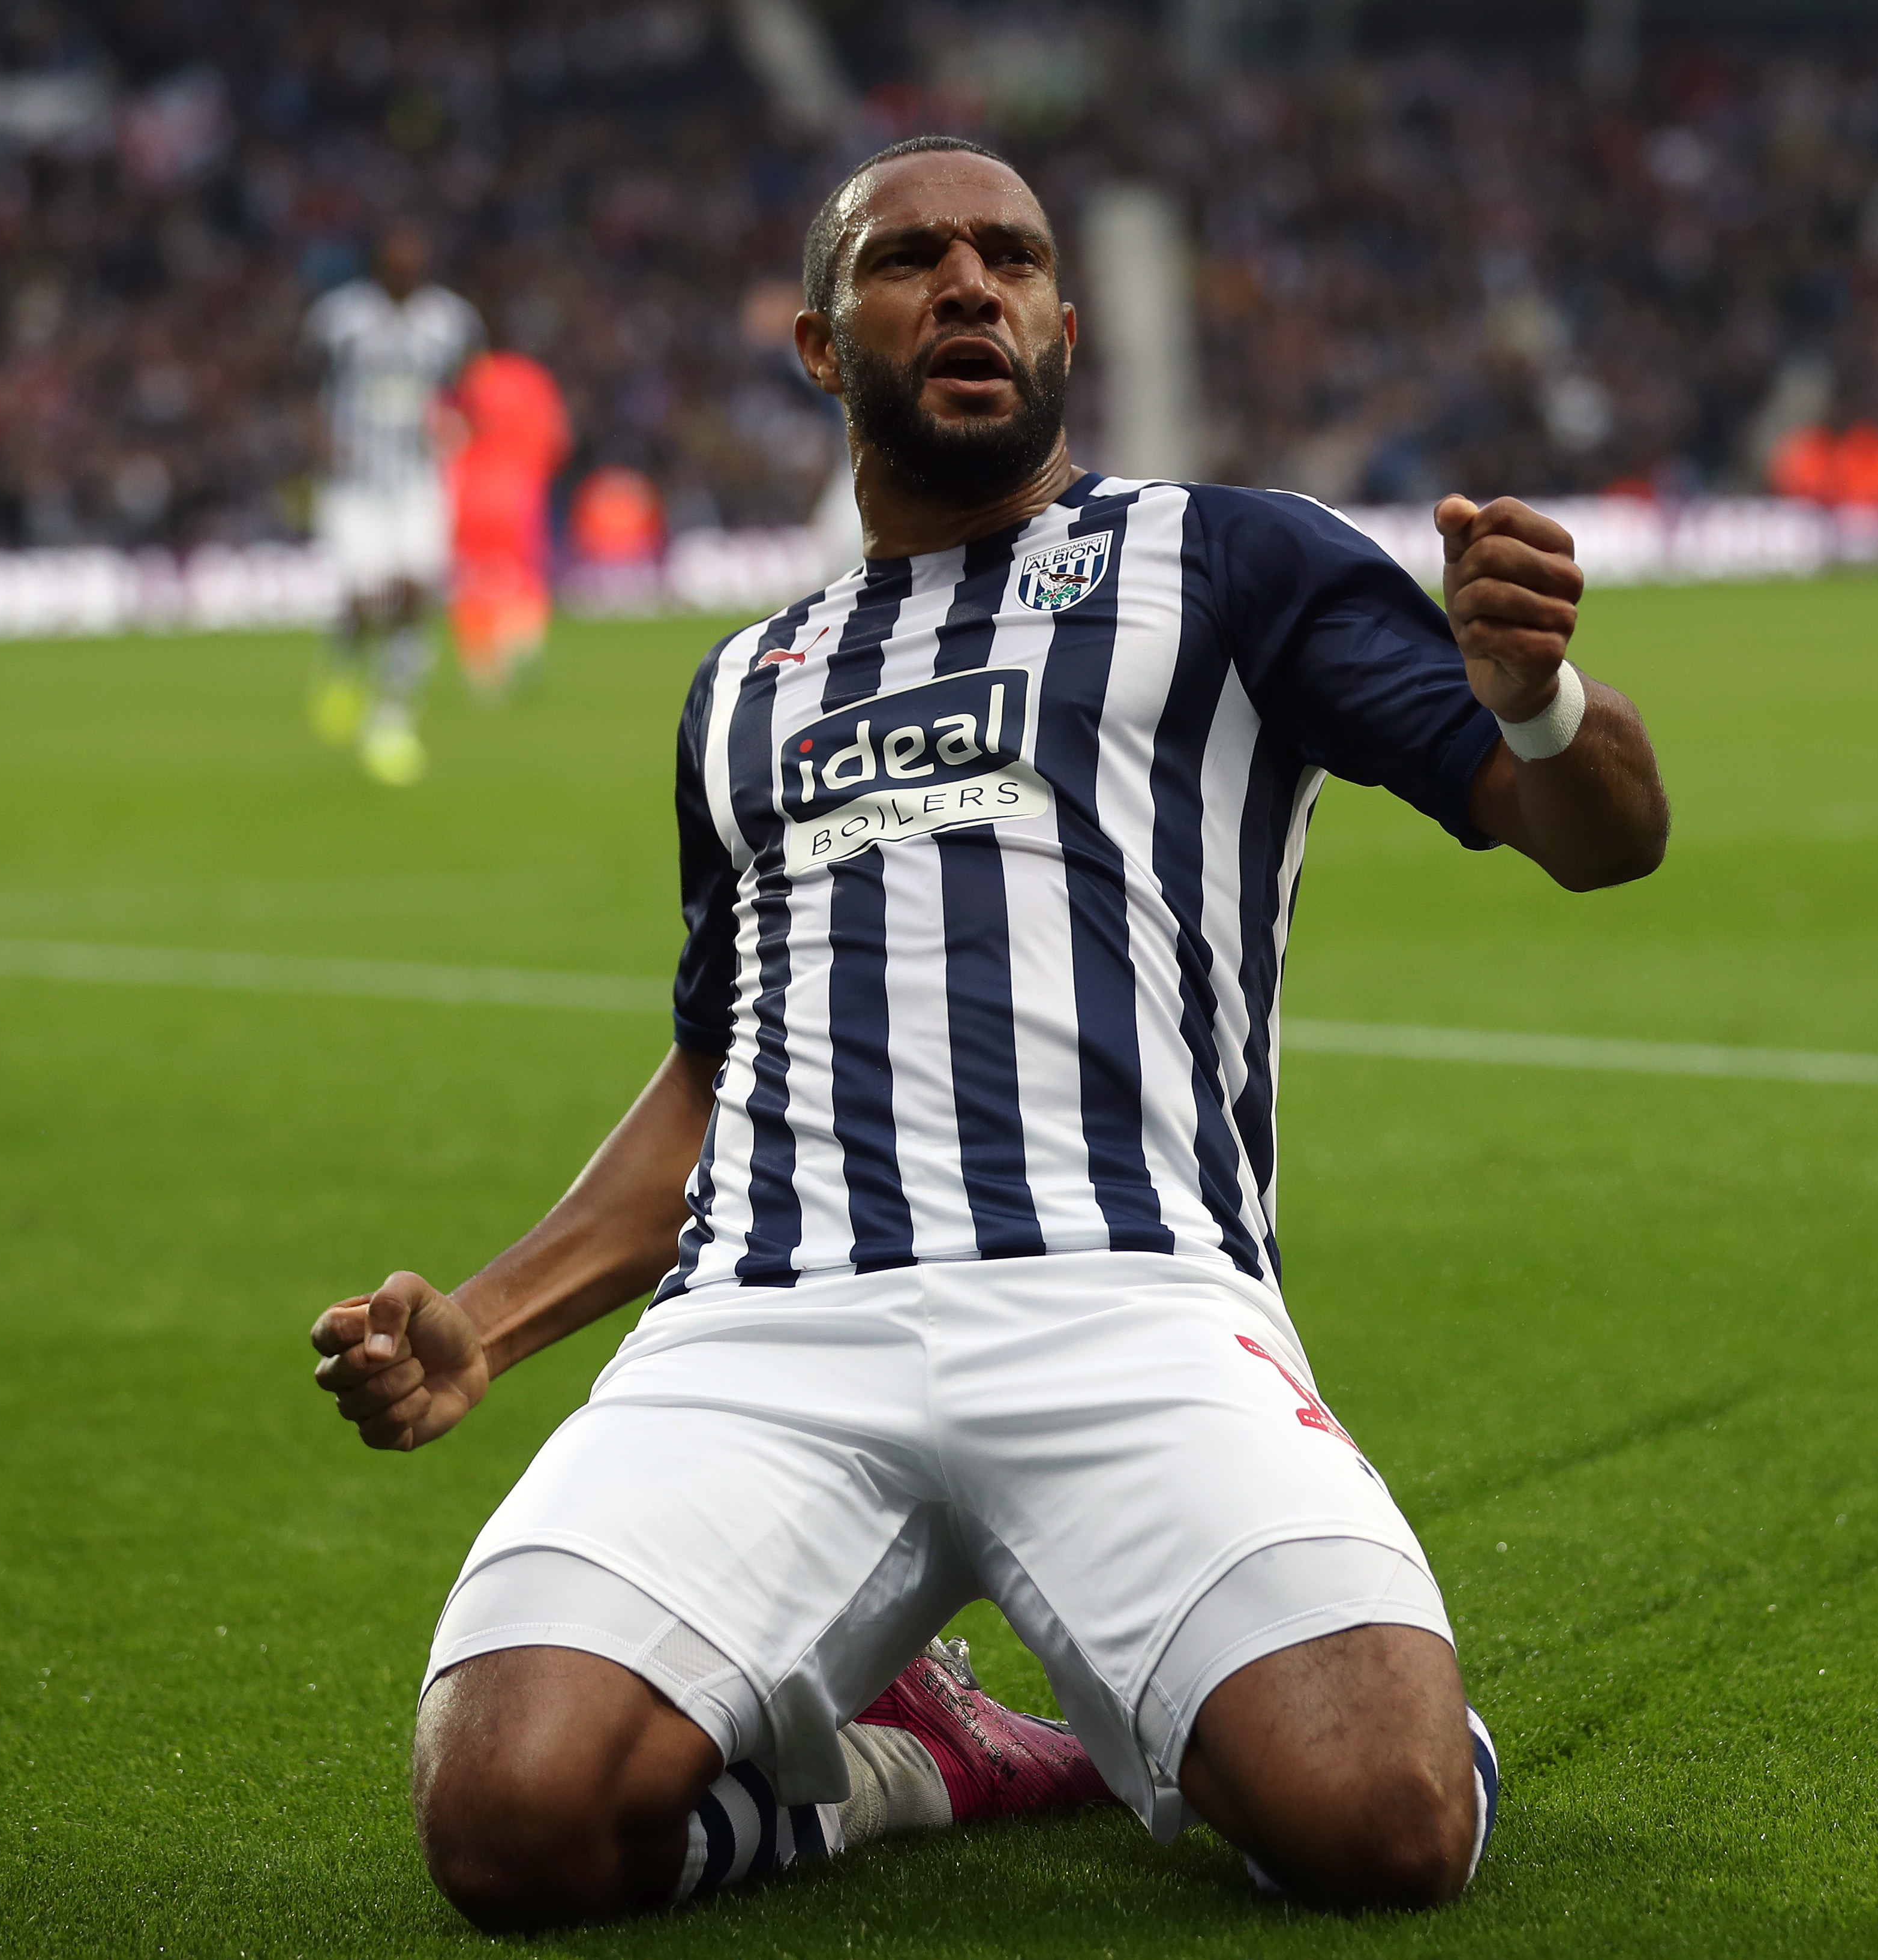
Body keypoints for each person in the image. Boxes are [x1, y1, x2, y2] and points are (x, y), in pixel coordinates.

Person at [308, 136, 1669, 1930]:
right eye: (908, 258)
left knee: (1379, 1828)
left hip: (1127, 1302)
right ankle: (908, 1761)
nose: (966, 285)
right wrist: (484, 1323)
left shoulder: (1229, 561)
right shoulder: (743, 686)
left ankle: (1201, 1707)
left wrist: (1539, 696)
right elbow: (725, 1072)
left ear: (1059, 325)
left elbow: (1596, 834)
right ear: (818, 344)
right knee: (509, 1823)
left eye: (1008, 259)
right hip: (764, 1334)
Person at [301, 222, 485, 784]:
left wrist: (457, 428)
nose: (407, 262)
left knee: (413, 592)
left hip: (417, 480)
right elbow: (304, 386)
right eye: (396, 253)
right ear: (378, 261)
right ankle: (343, 660)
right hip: (355, 483)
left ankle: (391, 721)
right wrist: (319, 440)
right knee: (365, 597)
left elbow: (469, 391)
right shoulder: (341, 320)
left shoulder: (451, 321)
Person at [446, 344, 571, 700]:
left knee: (473, 576)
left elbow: (448, 429)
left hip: (470, 488)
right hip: (521, 491)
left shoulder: (473, 378)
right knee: (522, 573)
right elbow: (558, 440)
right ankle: (522, 645)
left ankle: (484, 671)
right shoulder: (536, 380)